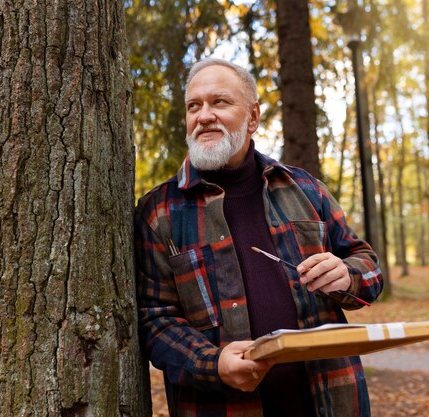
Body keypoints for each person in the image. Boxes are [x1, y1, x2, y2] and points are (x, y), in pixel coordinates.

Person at [135, 58, 383, 417]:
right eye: (194, 106)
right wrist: (212, 363)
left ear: (253, 117)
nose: (203, 115)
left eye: (219, 102)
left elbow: (368, 266)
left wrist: (348, 275)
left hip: (332, 402)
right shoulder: (159, 211)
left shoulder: (305, 189)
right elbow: (154, 320)